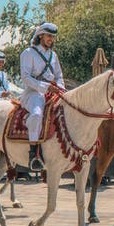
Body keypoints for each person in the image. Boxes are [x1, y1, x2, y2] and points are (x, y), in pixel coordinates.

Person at [20, 23, 65, 168]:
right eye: (49, 36)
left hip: (54, 92)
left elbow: (59, 75)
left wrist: (61, 89)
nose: (51, 39)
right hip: (33, 93)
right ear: (40, 36)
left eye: (53, 37)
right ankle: (34, 154)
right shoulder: (28, 53)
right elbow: (25, 78)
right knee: (37, 114)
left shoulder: (53, 55)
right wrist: (46, 87)